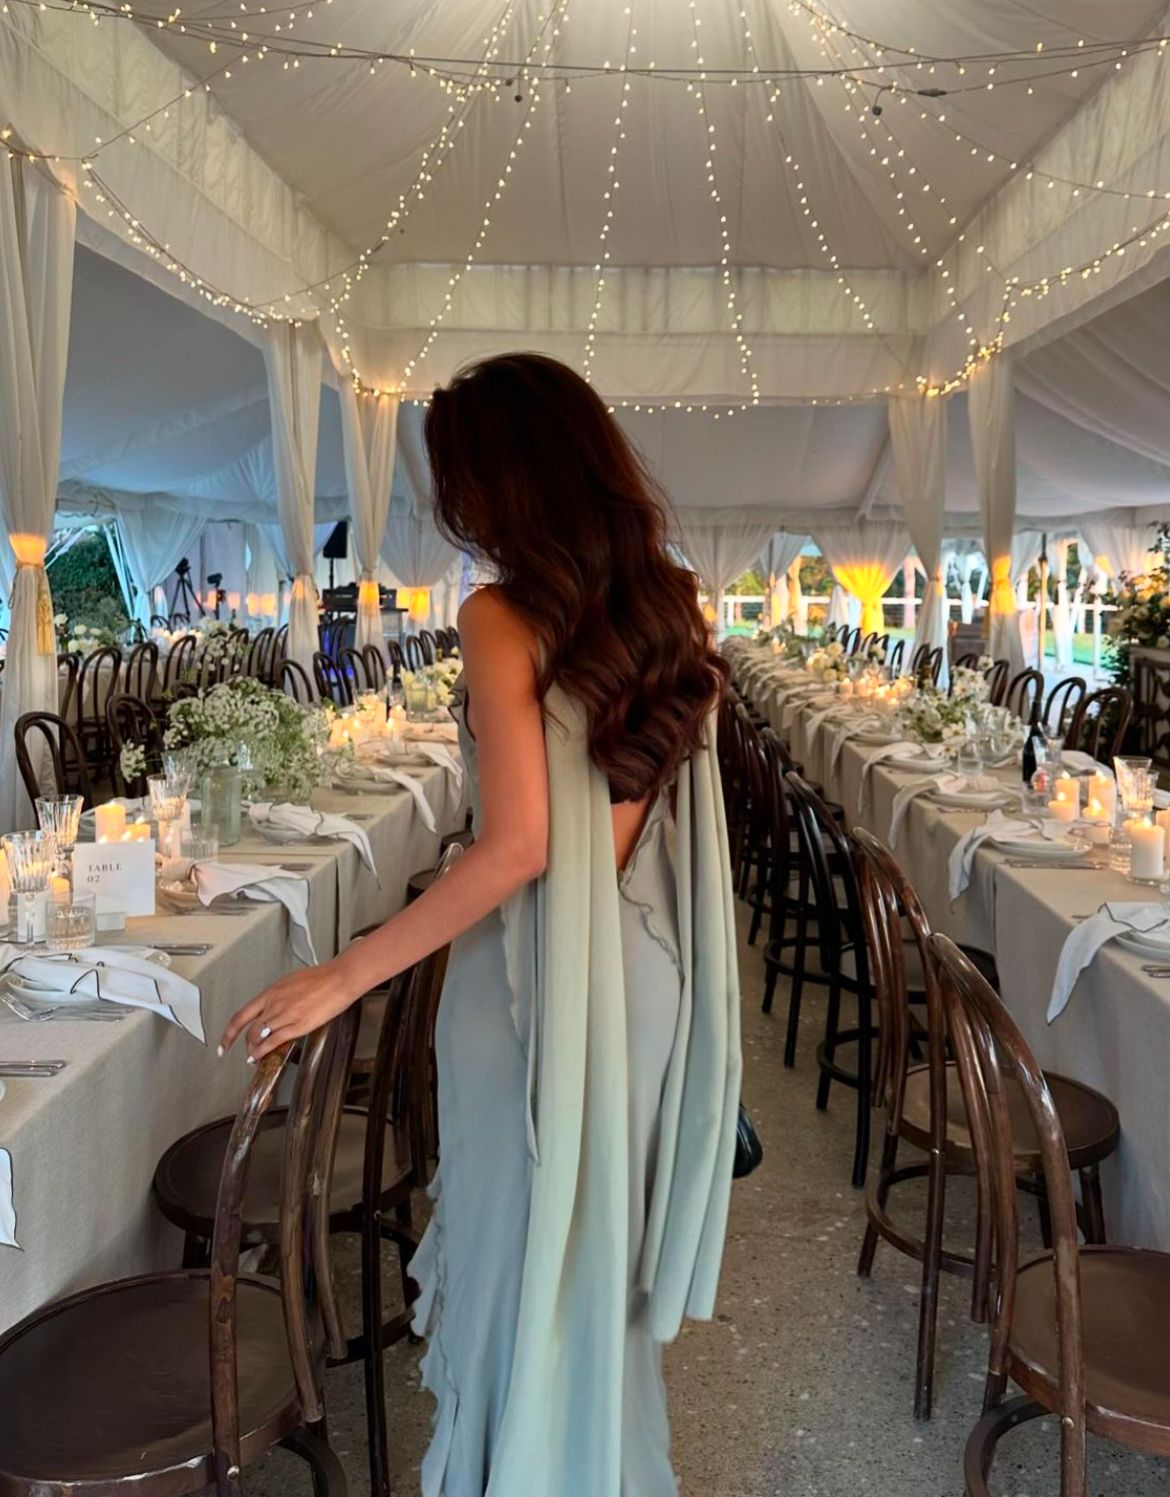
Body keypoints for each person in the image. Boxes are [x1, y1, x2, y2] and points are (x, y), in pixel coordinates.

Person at [220, 352, 743, 1496]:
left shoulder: (503, 614)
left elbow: (518, 848)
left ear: (496, 481)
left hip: (535, 980)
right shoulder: (666, 604)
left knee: (523, 1257)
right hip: (639, 970)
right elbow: (607, 829)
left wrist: (346, 973)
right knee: (587, 1261)